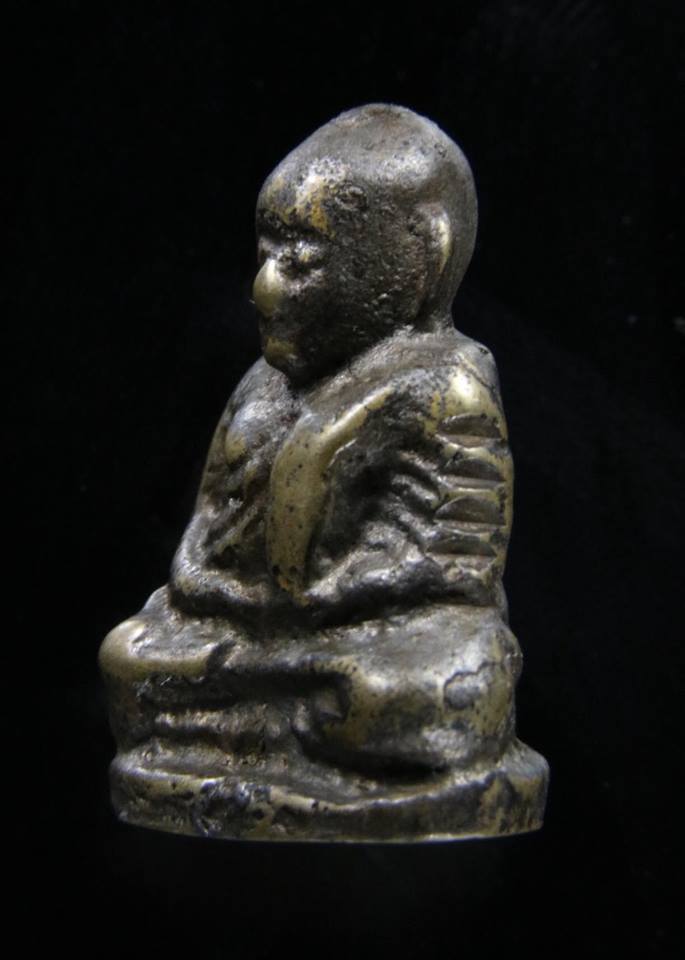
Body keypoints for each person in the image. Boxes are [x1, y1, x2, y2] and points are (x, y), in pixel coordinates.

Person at [100, 104, 548, 841]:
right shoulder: (262, 390)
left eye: (301, 262)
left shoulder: (448, 387)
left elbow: (458, 573)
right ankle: (269, 734)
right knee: (127, 656)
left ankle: (282, 734)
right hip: (254, 634)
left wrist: (329, 598)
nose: (263, 288)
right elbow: (203, 545)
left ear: (422, 259)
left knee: (424, 689)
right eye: (265, 256)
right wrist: (237, 601)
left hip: (370, 641)